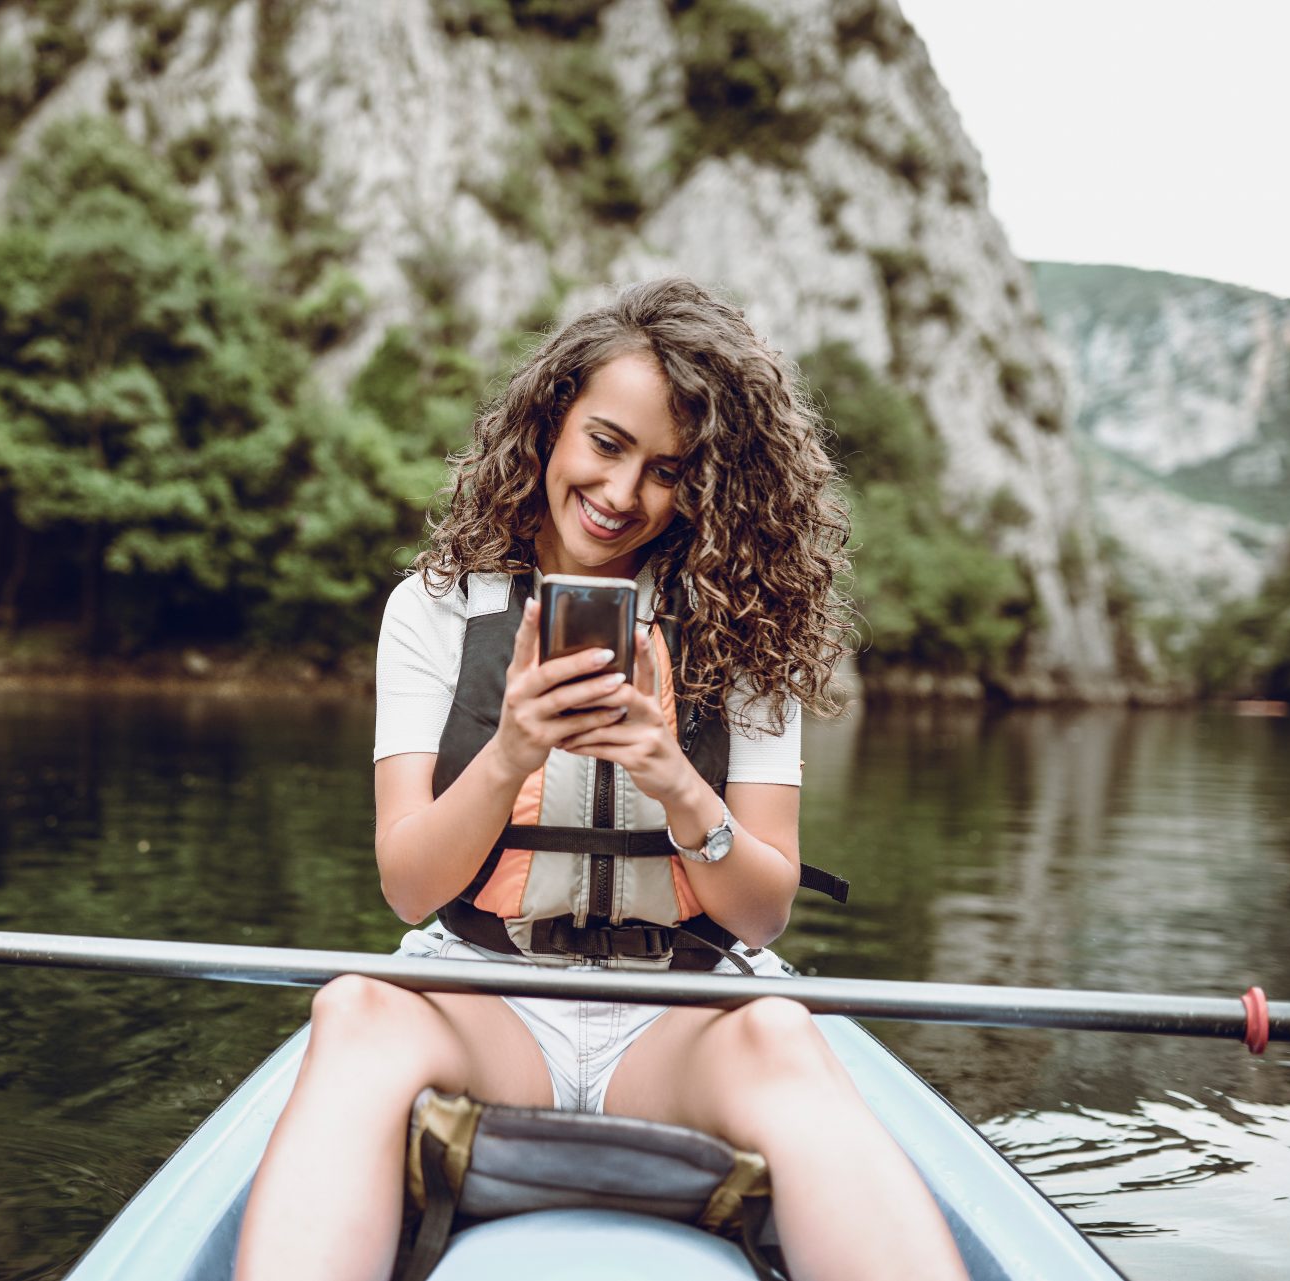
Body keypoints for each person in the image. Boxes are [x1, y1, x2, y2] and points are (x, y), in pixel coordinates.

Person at [235, 278, 968, 1281]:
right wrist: (511, 754)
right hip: (488, 996)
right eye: (607, 444)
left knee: (784, 1039)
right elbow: (408, 886)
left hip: (681, 1017)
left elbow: (760, 919)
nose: (623, 495)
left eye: (667, 470)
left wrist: (677, 783)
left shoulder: (746, 630)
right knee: (355, 1008)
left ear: (703, 485)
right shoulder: (434, 609)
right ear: (550, 426)